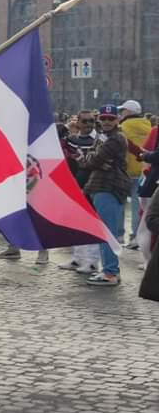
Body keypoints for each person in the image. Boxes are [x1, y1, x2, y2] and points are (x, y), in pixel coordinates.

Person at [78, 104, 132, 286]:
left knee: (108, 232)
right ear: (99, 119)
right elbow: (90, 160)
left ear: (118, 119)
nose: (107, 121)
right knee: (105, 231)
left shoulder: (116, 138)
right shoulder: (104, 137)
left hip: (109, 187)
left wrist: (93, 159)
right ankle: (108, 270)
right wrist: (93, 159)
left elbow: (91, 160)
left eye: (111, 118)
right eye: (104, 118)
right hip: (101, 187)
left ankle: (111, 273)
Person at [59, 109, 100, 274]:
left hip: (92, 186)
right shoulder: (72, 140)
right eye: (85, 121)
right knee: (77, 222)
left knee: (92, 224)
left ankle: (92, 262)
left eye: (91, 121)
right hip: (75, 185)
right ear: (78, 123)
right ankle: (78, 258)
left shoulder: (99, 140)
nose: (88, 124)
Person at [119, 100, 149, 249]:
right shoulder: (149, 126)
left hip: (125, 171)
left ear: (128, 112)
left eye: (122, 111)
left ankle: (118, 235)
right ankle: (136, 237)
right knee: (139, 207)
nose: (120, 114)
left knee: (120, 204)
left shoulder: (122, 128)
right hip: (144, 170)